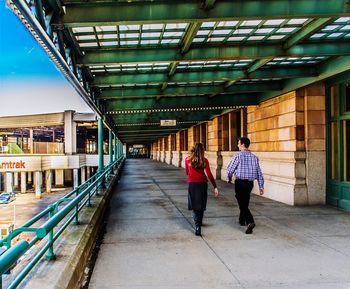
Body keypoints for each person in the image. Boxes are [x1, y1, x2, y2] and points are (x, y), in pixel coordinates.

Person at [227, 137, 264, 234]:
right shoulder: (254, 157)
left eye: (238, 143)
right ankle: (241, 220)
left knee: (242, 204)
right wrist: (261, 186)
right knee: (245, 202)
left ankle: (250, 221)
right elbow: (259, 172)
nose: (237, 145)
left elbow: (230, 169)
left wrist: (229, 177)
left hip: (240, 183)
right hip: (249, 184)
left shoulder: (238, 156)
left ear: (243, 144)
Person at [185, 143, 219, 236]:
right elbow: (209, 174)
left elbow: (187, 172)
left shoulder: (188, 160)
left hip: (192, 184)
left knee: (194, 205)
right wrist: (215, 186)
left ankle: (197, 226)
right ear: (202, 150)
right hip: (202, 184)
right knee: (201, 203)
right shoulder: (205, 161)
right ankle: (199, 222)